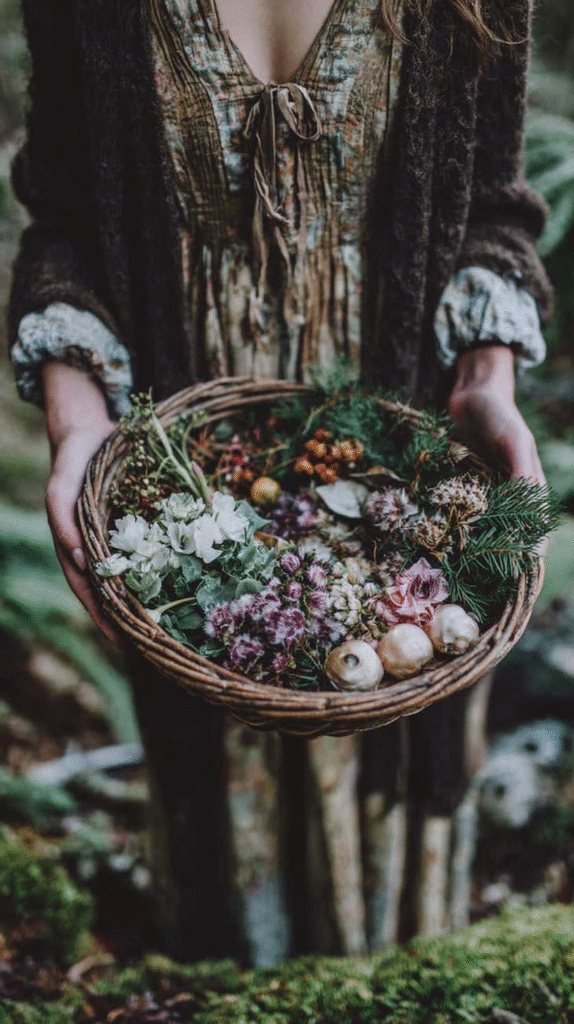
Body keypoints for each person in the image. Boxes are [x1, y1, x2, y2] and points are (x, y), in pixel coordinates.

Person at [8, 0, 552, 964]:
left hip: (398, 490)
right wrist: (79, 419)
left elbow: (494, 209)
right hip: (189, 495)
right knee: (218, 788)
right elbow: (63, 214)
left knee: (393, 778)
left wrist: (484, 378)